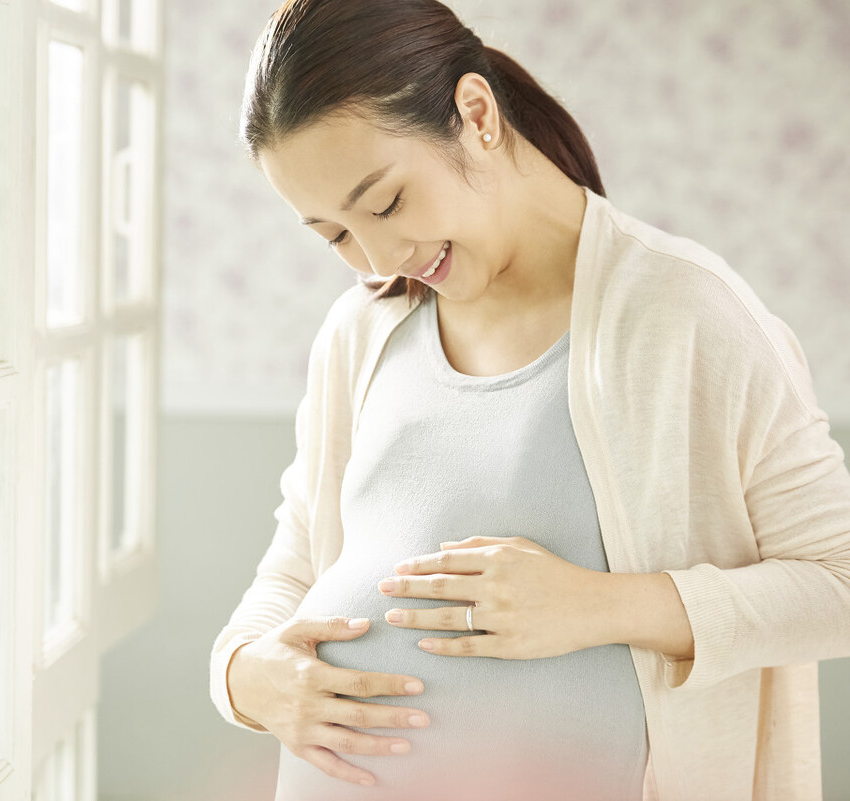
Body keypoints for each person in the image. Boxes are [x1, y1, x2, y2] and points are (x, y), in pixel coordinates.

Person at [208, 0, 850, 799]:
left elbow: (839, 580)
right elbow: (297, 564)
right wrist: (239, 674)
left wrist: (601, 606)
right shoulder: (361, 331)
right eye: (333, 235)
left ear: (476, 114)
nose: (376, 257)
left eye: (386, 204)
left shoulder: (685, 314)